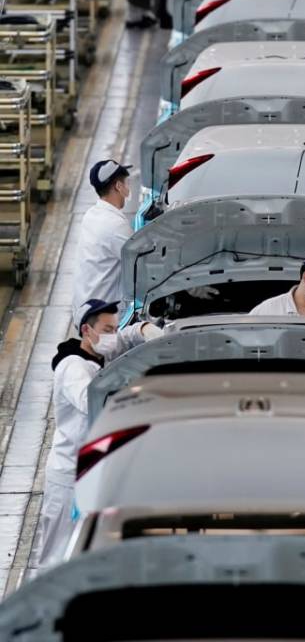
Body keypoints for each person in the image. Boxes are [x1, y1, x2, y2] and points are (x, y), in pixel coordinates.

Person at [39, 299, 163, 567]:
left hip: (92, 467)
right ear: (87, 330)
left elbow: (122, 340)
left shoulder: (98, 351)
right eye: (107, 329)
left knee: (85, 547)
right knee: (55, 554)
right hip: (69, 473)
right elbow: (91, 399)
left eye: (114, 329)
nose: (112, 336)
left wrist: (142, 329)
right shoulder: (73, 367)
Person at [71, 160, 133, 321]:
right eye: (126, 182)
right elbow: (142, 262)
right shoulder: (114, 224)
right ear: (118, 186)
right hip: (100, 318)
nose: (128, 186)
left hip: (85, 308)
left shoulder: (93, 214)